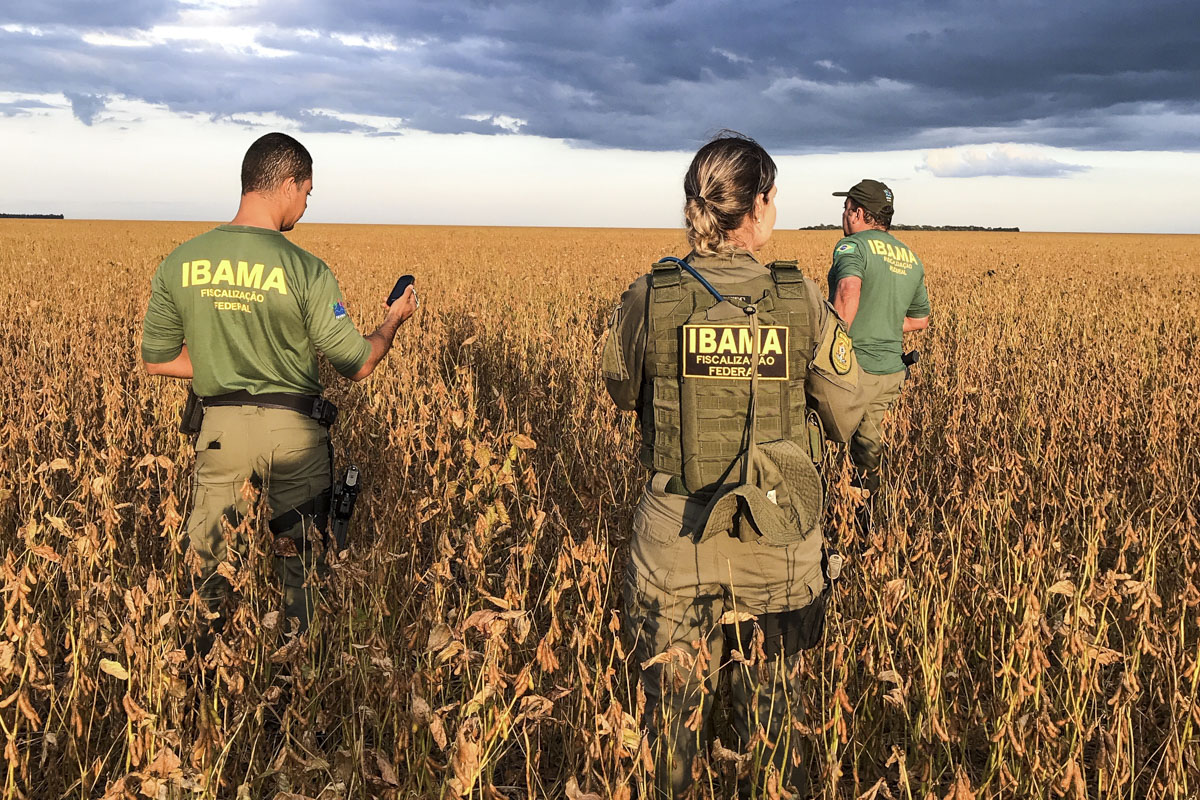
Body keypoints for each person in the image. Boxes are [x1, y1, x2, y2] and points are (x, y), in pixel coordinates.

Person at [603, 132, 866, 798]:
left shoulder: (651, 294)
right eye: (772, 196)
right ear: (757, 207)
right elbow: (845, 415)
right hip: (776, 548)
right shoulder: (800, 298)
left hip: (673, 549)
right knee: (774, 740)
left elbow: (620, 392)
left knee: (668, 741)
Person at [141, 132, 417, 644]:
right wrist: (392, 322)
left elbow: (157, 359)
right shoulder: (307, 270)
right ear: (287, 184)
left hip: (218, 433)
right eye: (307, 193)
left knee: (212, 571)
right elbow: (356, 363)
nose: (306, 206)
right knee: (303, 572)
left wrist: (218, 365)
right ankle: (296, 687)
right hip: (295, 438)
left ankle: (205, 681)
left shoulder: (181, 262)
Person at [827, 179, 930, 531]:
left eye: (846, 208)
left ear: (857, 213)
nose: (843, 215)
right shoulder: (911, 258)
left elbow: (848, 291)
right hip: (889, 373)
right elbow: (919, 320)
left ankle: (820, 515)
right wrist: (883, 321)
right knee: (867, 450)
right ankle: (864, 523)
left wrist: (829, 340)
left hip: (852, 370)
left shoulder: (851, 247)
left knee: (812, 437)